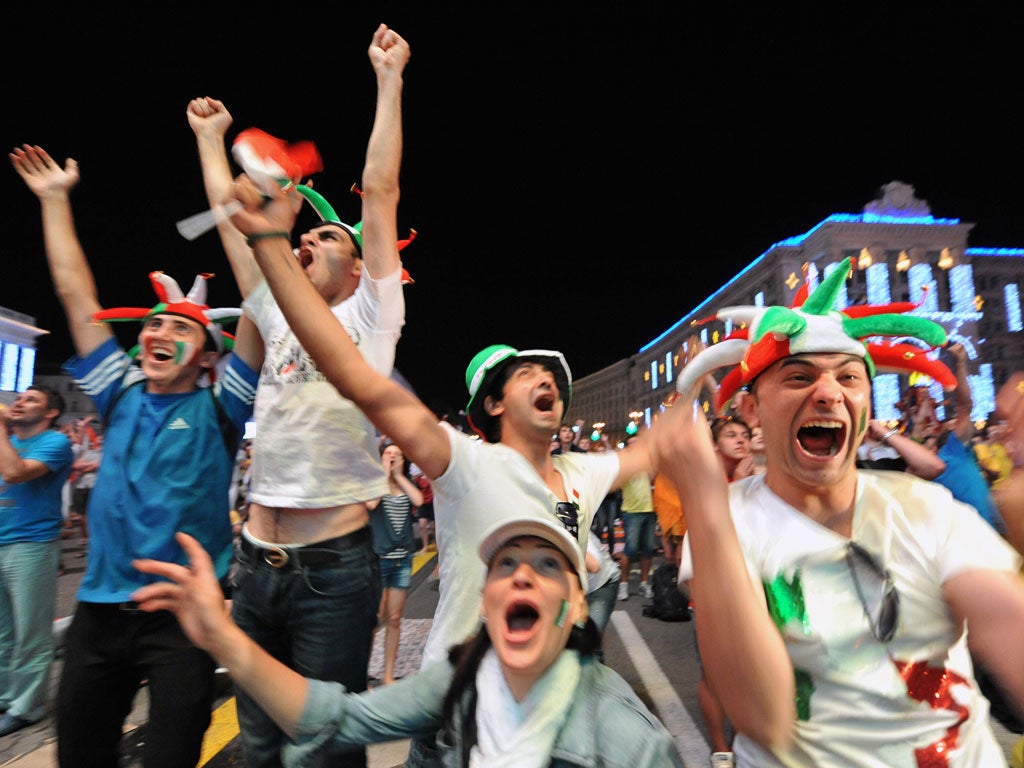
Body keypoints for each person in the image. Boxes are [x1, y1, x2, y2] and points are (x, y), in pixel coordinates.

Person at [218, 169, 667, 767]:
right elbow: (357, 379)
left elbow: (649, 464)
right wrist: (265, 234)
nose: (546, 382)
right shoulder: (467, 463)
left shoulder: (583, 472)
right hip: (454, 690)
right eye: (524, 375)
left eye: (552, 378)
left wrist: (586, 626)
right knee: (286, 743)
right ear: (493, 404)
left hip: (541, 695)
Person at [663, 256, 1024, 766]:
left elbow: (1007, 626)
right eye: (798, 377)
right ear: (751, 410)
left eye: (849, 378)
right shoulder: (727, 522)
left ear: (866, 403)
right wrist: (702, 501)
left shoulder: (926, 509)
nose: (829, 393)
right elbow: (757, 712)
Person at [186, 23, 411, 768]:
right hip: (255, 563)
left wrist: (389, 79)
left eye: (328, 241)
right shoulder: (271, 307)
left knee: (321, 747)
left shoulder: (372, 317)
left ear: (360, 269)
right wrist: (213, 138)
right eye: (304, 238)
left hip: (333, 572)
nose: (309, 242)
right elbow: (236, 221)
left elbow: (378, 192)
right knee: (256, 744)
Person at [9, 144, 260, 768]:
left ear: (207, 356)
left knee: (172, 756)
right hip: (96, 612)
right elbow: (75, 293)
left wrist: (253, 225)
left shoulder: (223, 406)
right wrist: (54, 202)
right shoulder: (118, 392)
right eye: (153, 325)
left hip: (183, 619)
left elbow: (263, 306)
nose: (158, 333)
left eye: (180, 328)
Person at [130, 512, 682, 766]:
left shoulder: (631, 746)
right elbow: (338, 719)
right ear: (487, 603)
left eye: (546, 566)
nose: (521, 574)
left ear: (577, 605)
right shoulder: (458, 678)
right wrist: (223, 639)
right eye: (506, 563)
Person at [0, 386, 74, 737]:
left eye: (31, 400)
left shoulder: (55, 443)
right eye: (19, 398)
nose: (19, 402)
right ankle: (5, 696)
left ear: (49, 414)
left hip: (31, 546)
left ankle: (27, 707)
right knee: (2, 633)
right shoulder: (9, 441)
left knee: (31, 632)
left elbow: (14, 473)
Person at [367, 442, 423, 686]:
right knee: (373, 619)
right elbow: (370, 505)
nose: (392, 457)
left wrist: (399, 476)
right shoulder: (375, 485)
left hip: (402, 560)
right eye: (388, 453)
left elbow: (419, 500)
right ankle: (362, 675)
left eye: (398, 454)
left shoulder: (404, 483)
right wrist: (384, 475)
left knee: (395, 618)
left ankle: (388, 674)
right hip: (378, 560)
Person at [617, 434, 657, 601]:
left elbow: (653, 479)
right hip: (631, 513)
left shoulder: (647, 463)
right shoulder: (623, 465)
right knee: (630, 551)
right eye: (631, 444)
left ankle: (644, 584)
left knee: (648, 550)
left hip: (649, 510)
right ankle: (623, 586)